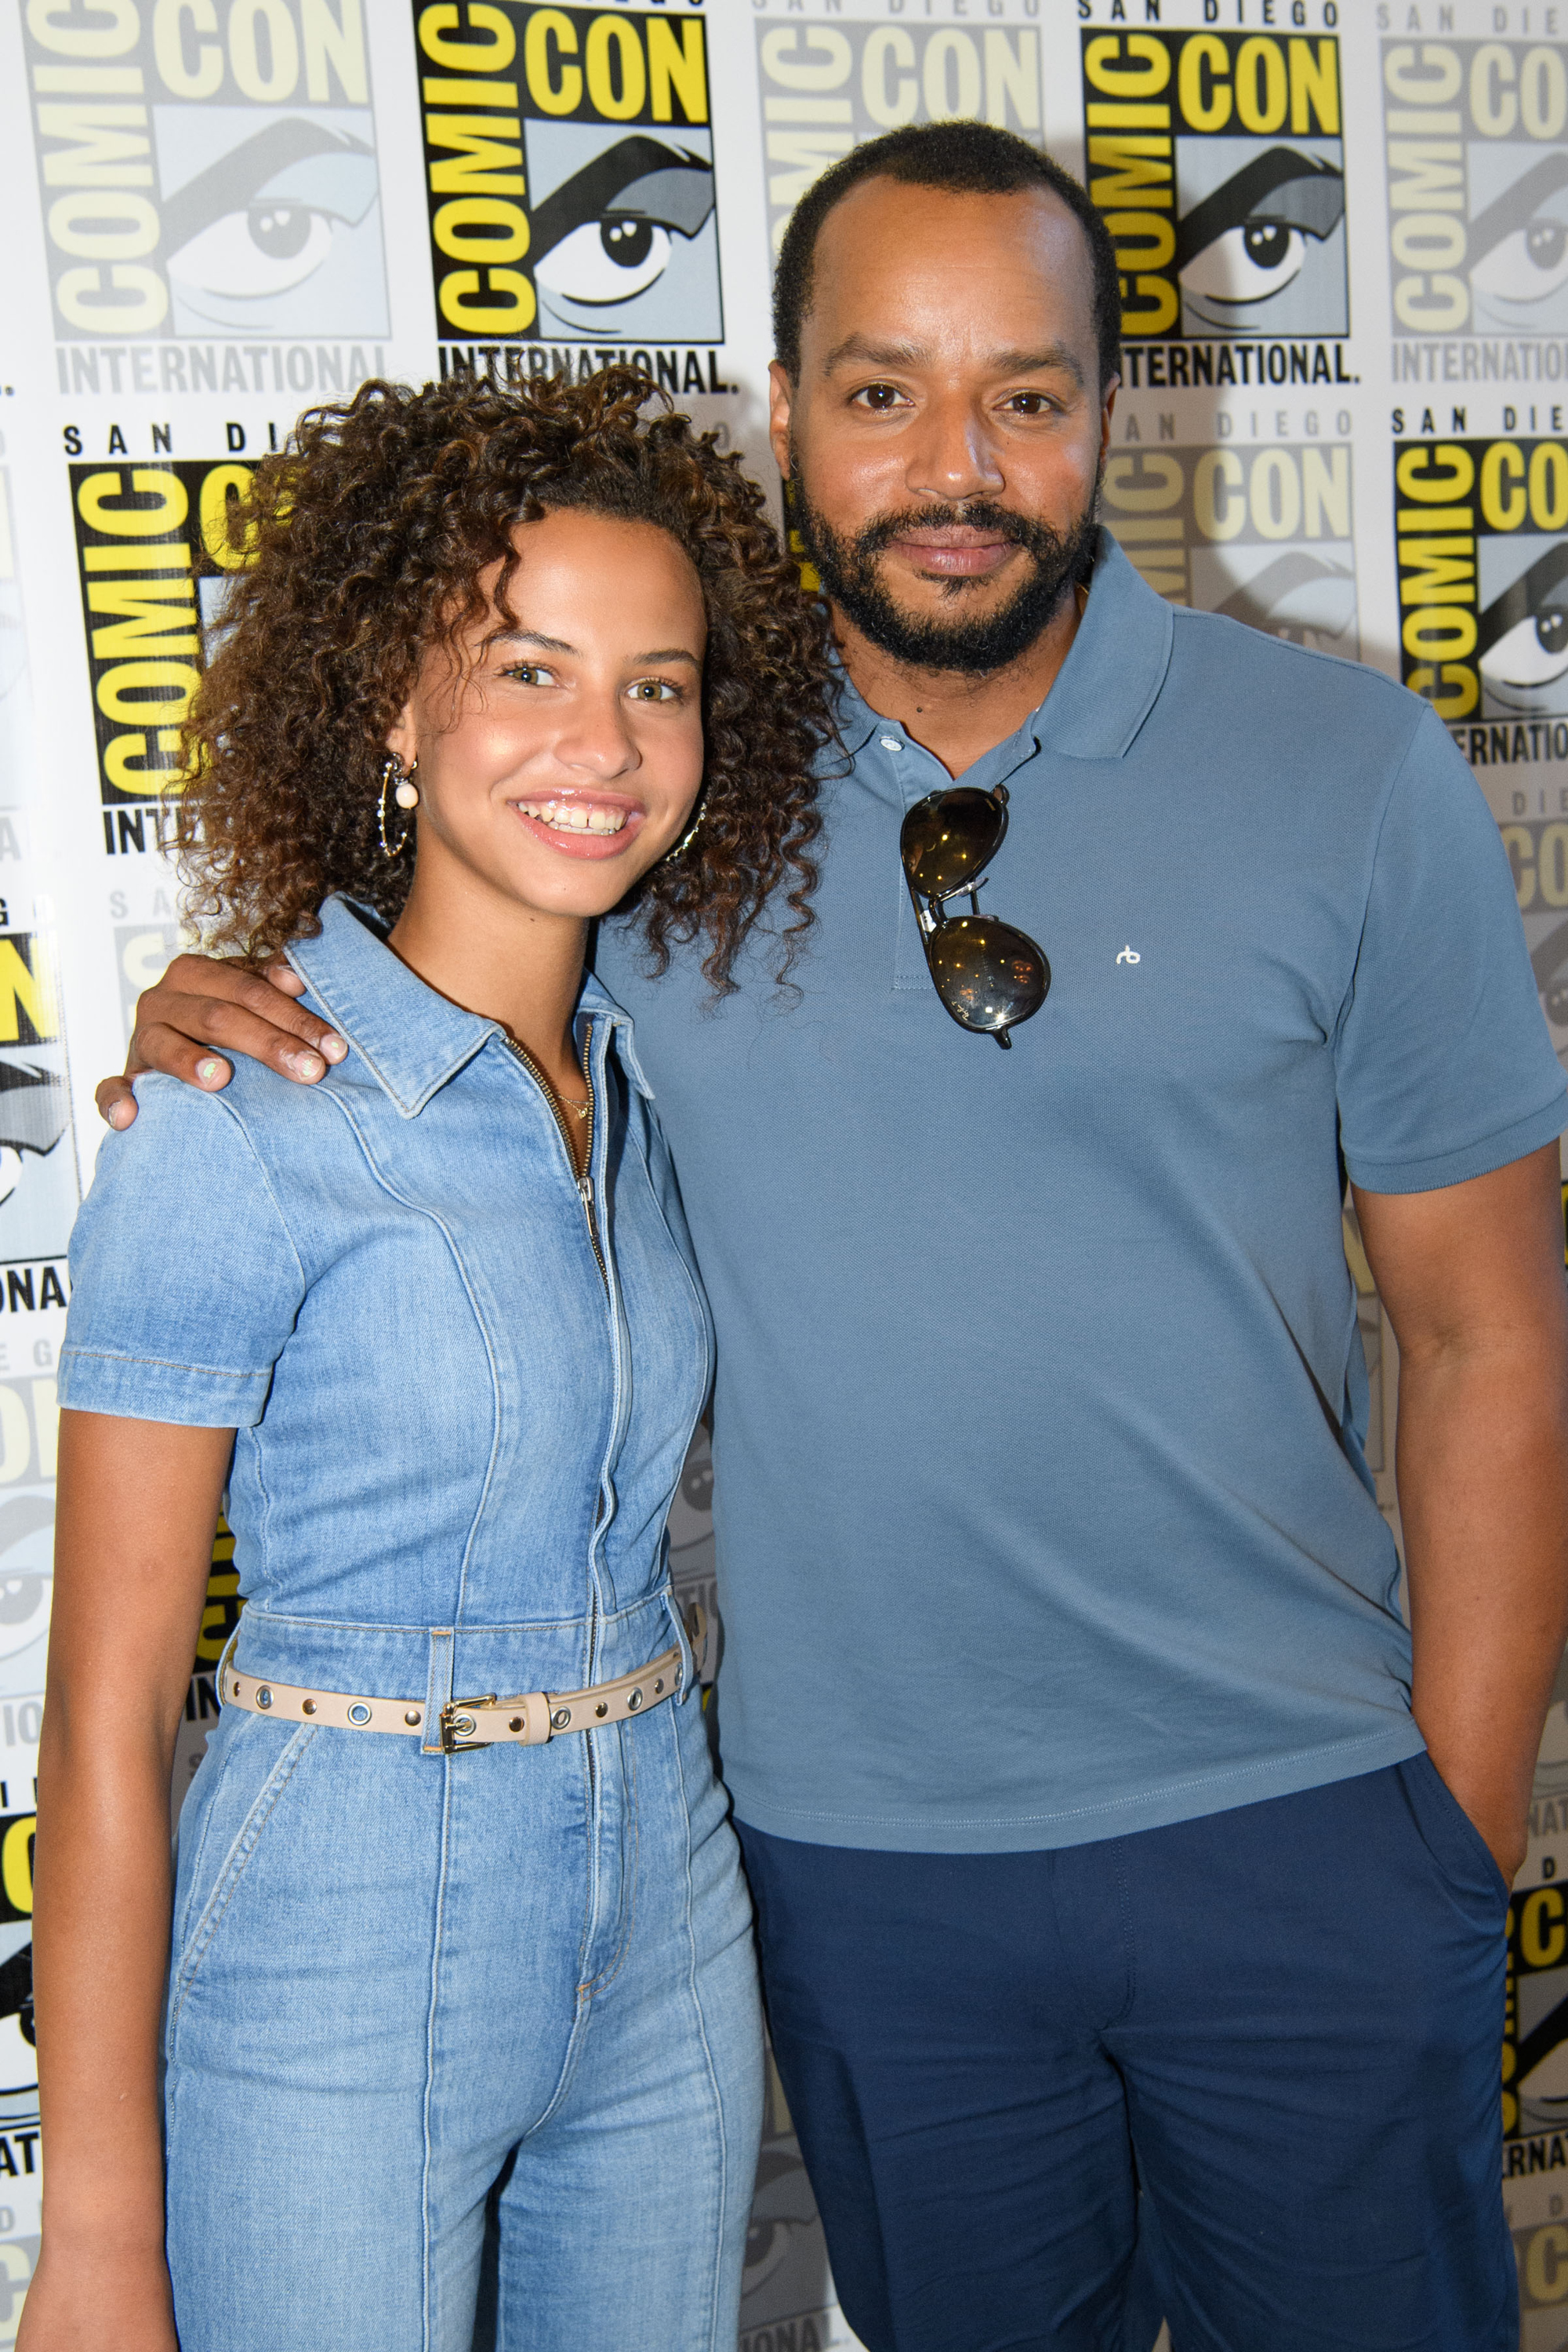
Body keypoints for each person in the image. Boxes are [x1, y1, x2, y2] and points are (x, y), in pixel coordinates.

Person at [103, 125, 1568, 2352]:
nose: (954, 465)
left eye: (1025, 394)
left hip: (1302, 1832)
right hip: (867, 1885)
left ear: (1110, 409)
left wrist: (1444, 1850)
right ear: (785, 411)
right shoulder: (673, 793)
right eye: (883, 392)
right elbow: (448, 963)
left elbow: (1488, 1339)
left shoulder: (1349, 773)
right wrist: (214, 999)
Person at [27, 369, 834, 2352]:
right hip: (341, 1913)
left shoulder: (659, 1081)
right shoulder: (233, 1113)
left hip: (667, 1891)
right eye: (528, 669)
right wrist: (97, 2236)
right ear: (393, 702)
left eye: (658, 685)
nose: (603, 743)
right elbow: (107, 1713)